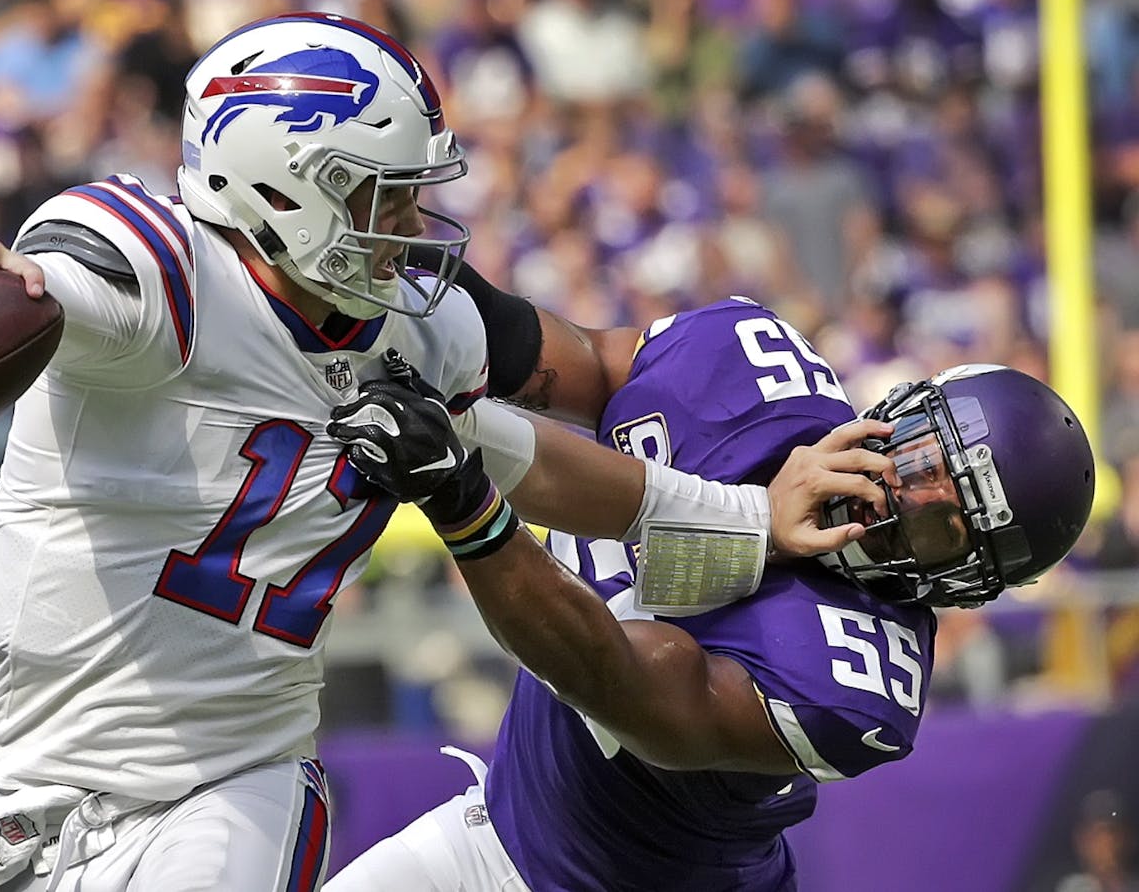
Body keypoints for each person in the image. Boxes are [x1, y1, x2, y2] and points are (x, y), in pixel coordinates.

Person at [0, 12, 882, 892]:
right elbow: (76, 278)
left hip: (233, 780)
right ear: (277, 189)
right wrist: (11, 281)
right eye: (379, 197)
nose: (409, 227)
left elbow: (525, 454)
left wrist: (750, 516)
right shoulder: (164, 279)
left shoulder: (416, 330)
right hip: (26, 784)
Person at [324, 287, 1096, 891]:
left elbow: (607, 674)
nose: (897, 502)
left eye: (944, 530)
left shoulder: (852, 676)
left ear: (959, 584)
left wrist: (465, 500)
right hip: (496, 830)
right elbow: (579, 359)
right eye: (922, 463)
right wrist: (399, 304)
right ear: (903, 408)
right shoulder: (750, 373)